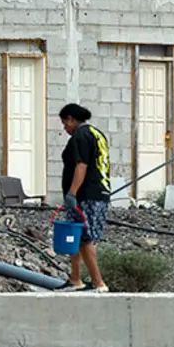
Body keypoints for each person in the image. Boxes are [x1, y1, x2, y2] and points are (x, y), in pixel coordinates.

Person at [58, 103, 110, 292]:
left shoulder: (80, 136)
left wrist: (72, 193)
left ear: (71, 118)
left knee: (85, 238)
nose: (65, 128)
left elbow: (82, 166)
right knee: (76, 236)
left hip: (86, 196)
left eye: (65, 124)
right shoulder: (97, 134)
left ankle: (98, 283)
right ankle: (75, 279)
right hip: (99, 193)